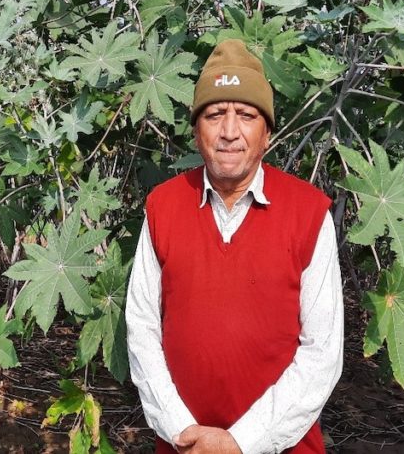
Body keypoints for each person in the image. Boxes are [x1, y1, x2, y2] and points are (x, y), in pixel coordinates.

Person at [125, 39, 343, 454]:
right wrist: (181, 429)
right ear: (195, 130)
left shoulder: (309, 213)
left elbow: (323, 353)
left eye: (245, 115)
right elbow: (141, 326)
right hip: (182, 444)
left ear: (267, 134)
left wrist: (242, 442)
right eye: (213, 115)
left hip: (280, 445)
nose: (229, 131)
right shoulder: (163, 206)